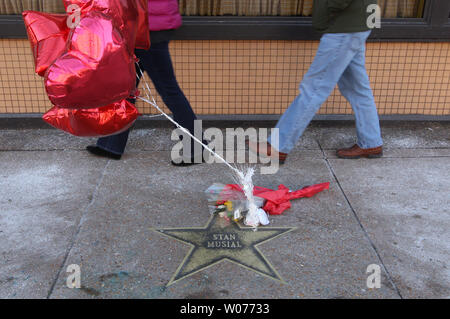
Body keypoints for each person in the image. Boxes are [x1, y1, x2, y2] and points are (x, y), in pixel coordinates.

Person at [248, 0, 383, 163]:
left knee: (313, 89)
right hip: (358, 23)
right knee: (357, 89)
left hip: (344, 28)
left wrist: (325, 12)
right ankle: (371, 142)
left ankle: (278, 147)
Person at [87, 0, 203, 166]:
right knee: (125, 88)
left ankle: (197, 148)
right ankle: (111, 145)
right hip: (141, 25)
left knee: (168, 90)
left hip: (149, 30)